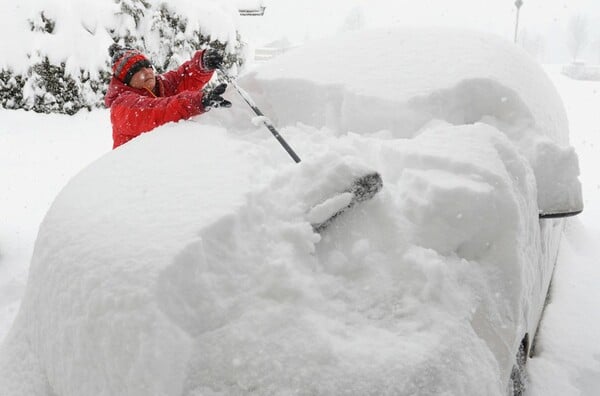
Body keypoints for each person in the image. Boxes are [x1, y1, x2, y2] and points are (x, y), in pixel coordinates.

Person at [104, 43, 231, 149]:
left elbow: (184, 77)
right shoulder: (122, 106)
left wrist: (203, 64)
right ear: (127, 81)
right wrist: (198, 101)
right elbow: (157, 111)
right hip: (135, 171)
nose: (147, 72)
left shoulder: (160, 85)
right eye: (137, 70)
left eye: (148, 66)